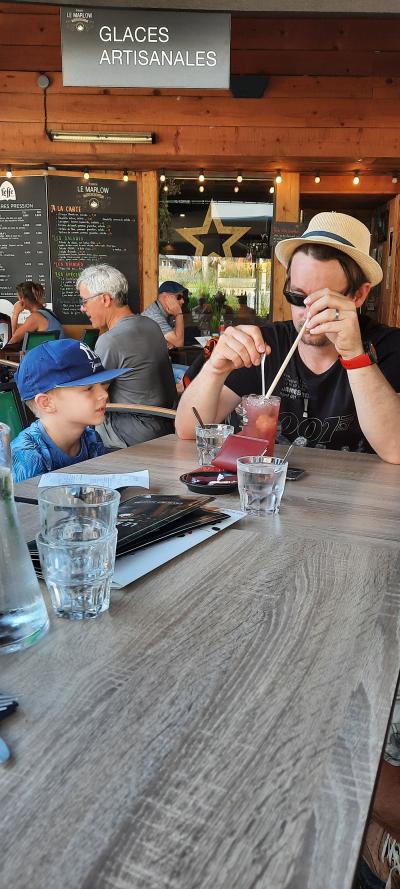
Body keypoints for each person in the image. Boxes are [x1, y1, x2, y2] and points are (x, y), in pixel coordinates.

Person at [176, 211, 400, 463]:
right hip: (267, 493)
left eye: (323, 302)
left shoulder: (389, 347)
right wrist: (215, 369)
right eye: (297, 297)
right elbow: (187, 431)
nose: (307, 313)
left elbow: (396, 449)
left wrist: (355, 357)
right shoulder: (265, 346)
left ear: (358, 295)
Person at [77, 264, 177, 448]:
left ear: (105, 299)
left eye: (84, 301)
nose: (83, 308)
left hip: (129, 434)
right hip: (164, 426)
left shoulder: (111, 340)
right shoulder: (150, 325)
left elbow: (93, 395)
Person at [11, 338, 128, 483]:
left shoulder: (91, 439)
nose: (104, 395)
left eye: (102, 385)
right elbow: (27, 504)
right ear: (46, 403)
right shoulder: (28, 455)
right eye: (88, 388)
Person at [6, 281, 65, 348]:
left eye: (18, 298)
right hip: (54, 355)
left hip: (44, 357)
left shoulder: (35, 318)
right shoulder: (49, 313)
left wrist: (15, 314)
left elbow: (12, 341)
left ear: (23, 299)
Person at [141, 280, 185, 348]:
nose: (182, 301)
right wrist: (179, 314)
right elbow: (179, 344)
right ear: (165, 297)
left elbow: (174, 343)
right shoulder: (154, 316)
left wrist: (172, 342)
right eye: (179, 297)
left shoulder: (167, 312)